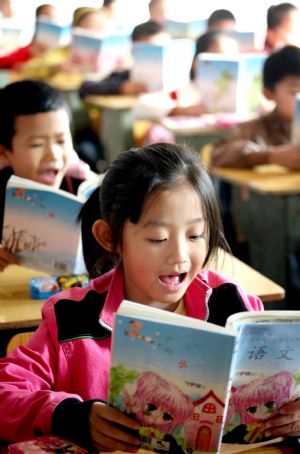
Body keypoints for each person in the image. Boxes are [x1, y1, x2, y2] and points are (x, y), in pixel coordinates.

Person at [0, 143, 264, 452]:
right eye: (157, 239)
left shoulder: (234, 306)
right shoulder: (73, 317)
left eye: (195, 235)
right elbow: (6, 390)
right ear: (109, 237)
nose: (180, 255)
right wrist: (70, 415)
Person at [0, 79, 94, 272]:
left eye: (61, 141)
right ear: (4, 152)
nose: (53, 155)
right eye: (36, 145)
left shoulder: (82, 187)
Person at [211, 45, 300, 169]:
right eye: (295, 91)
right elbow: (219, 153)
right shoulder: (257, 129)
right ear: (268, 93)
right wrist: (270, 156)